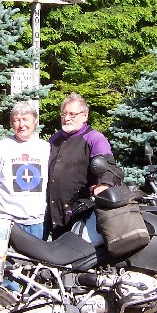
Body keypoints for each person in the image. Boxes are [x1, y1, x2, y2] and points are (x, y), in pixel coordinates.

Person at [46, 92, 123, 239]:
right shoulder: (55, 139)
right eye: (64, 114)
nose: (67, 118)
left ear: (85, 116)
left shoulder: (94, 139)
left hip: (81, 216)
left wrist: (104, 184)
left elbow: (109, 167)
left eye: (72, 114)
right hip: (55, 216)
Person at [0, 100, 49, 239]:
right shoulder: (1, 148)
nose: (22, 125)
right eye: (17, 120)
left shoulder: (46, 148)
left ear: (35, 121)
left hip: (39, 224)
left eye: (25, 119)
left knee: (36, 261)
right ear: (12, 124)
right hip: (7, 223)